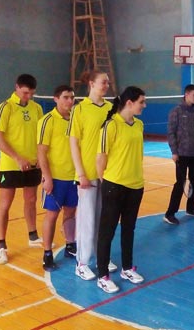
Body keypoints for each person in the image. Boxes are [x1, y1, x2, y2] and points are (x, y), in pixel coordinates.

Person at [96, 87, 147, 293]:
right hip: (114, 186)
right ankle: (102, 275)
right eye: (141, 102)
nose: (144, 105)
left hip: (136, 186)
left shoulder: (139, 125)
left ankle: (127, 268)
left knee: (129, 229)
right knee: (107, 232)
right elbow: (101, 158)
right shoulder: (111, 125)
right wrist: (107, 182)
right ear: (129, 103)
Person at [67, 70, 116, 281]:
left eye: (108, 82)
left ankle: (101, 258)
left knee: (103, 219)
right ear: (91, 83)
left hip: (107, 173)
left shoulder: (111, 108)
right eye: (103, 82)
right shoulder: (80, 109)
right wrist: (81, 173)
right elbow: (73, 143)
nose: (106, 85)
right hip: (87, 173)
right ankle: (82, 263)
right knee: (86, 219)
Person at [0, 74, 44, 264]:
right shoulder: (5, 108)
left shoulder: (37, 108)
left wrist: (40, 158)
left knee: (31, 200)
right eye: (25, 93)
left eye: (31, 93)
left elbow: (41, 136)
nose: (28, 97)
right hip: (10, 166)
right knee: (5, 203)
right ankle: (1, 246)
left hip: (33, 164)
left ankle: (33, 236)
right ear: (16, 88)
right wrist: (17, 158)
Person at [37, 85, 77, 271]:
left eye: (72, 98)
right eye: (66, 97)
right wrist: (47, 177)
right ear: (56, 99)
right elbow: (41, 151)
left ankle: (70, 244)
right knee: (52, 215)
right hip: (56, 178)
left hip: (73, 177)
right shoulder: (47, 120)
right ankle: (47, 253)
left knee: (70, 213)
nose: (70, 101)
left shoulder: (76, 119)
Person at [164, 84, 194, 225]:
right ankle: (170, 213)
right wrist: (174, 152)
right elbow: (171, 132)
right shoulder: (176, 111)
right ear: (186, 95)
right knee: (180, 183)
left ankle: (190, 208)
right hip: (181, 154)